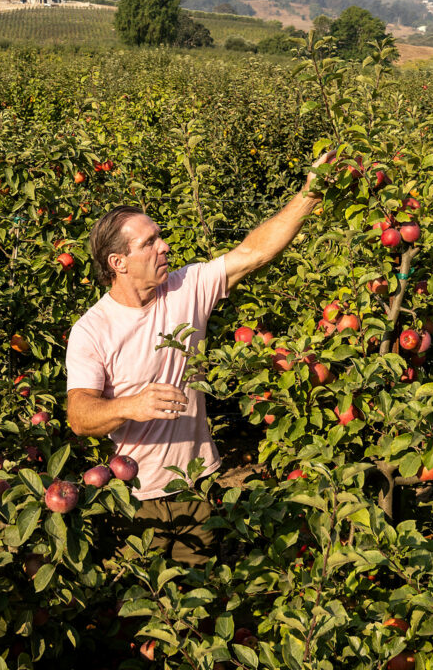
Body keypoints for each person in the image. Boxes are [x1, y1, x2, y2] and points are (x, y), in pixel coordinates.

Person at [64, 153, 333, 565]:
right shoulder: (93, 330)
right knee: (147, 604)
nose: (164, 246)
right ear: (118, 263)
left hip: (198, 484)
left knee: (198, 598)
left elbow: (254, 253)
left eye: (160, 236)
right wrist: (132, 405)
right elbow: (80, 417)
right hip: (135, 496)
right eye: (149, 243)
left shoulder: (185, 287)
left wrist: (310, 194)